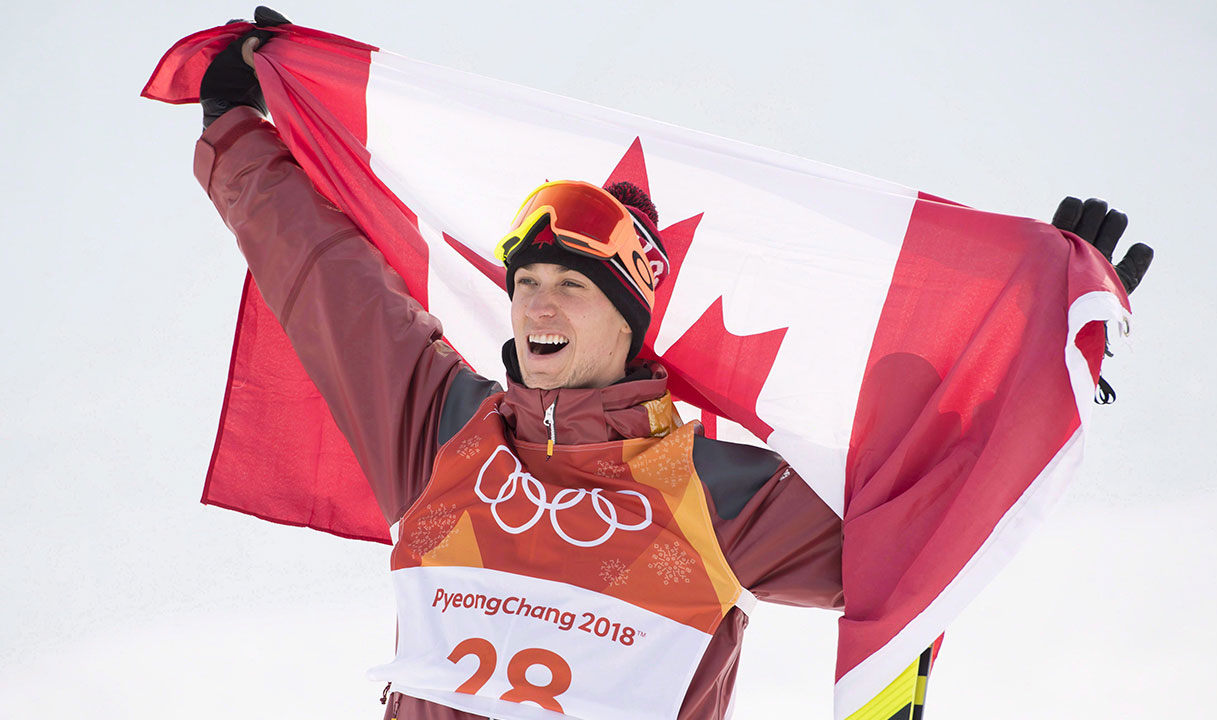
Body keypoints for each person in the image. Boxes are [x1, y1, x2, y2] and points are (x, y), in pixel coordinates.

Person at [191, 9, 1151, 720]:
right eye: (526, 283)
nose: (537, 305)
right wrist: (239, 131)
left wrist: (1038, 350)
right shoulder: (443, 429)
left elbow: (923, 540)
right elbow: (324, 279)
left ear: (627, 325)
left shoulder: (715, 490)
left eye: (571, 287)